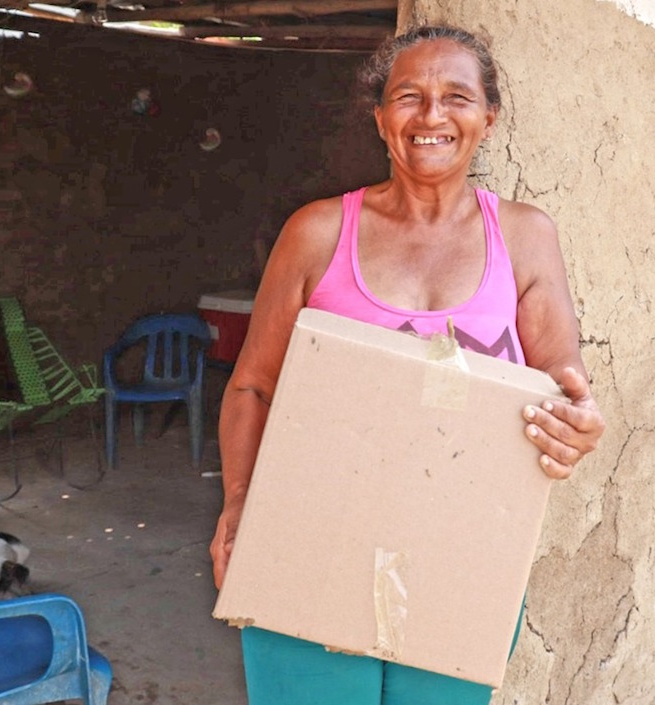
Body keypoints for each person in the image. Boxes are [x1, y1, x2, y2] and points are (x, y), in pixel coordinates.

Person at [210, 24, 606, 705]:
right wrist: (240, 504)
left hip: (462, 550)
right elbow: (250, 383)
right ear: (379, 116)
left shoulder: (524, 236)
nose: (430, 116)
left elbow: (560, 381)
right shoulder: (317, 231)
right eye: (407, 96)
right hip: (310, 537)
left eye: (456, 96)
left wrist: (576, 424)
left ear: (489, 117)